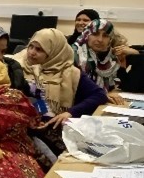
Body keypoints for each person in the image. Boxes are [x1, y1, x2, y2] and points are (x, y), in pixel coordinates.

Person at [11, 28, 107, 156]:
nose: (32, 53)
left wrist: (70, 112)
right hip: (21, 126)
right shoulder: (15, 65)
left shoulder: (69, 72)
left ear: (54, 52)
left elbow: (99, 95)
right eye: (31, 47)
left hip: (52, 127)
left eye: (39, 50)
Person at [74, 18, 139, 104]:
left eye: (105, 36)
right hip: (78, 107)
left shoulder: (111, 57)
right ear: (86, 35)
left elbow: (129, 86)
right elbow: (77, 90)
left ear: (110, 39)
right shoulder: (75, 55)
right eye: (95, 34)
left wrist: (136, 54)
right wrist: (103, 94)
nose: (100, 40)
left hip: (100, 103)